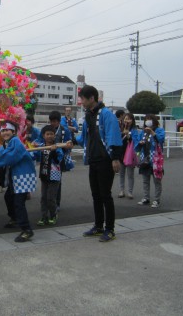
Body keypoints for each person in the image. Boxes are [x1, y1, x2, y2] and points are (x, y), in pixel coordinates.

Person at [75, 85, 123, 243]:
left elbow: (113, 135)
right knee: (96, 195)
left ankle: (110, 229)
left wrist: (115, 158)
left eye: (82, 99)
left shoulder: (106, 114)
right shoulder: (89, 115)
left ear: (91, 98)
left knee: (105, 195)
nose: (81, 102)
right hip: (93, 159)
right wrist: (73, 141)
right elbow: (84, 137)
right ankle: (98, 226)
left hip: (105, 160)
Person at [0, 121, 37, 242]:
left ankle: (26, 230)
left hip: (23, 175)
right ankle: (15, 218)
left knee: (19, 203)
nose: (5, 132)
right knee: (8, 197)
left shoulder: (16, 141)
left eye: (7, 130)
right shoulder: (7, 143)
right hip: (14, 177)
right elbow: (1, 152)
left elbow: (11, 157)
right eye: (2, 130)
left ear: (13, 131)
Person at [34, 125, 64, 226]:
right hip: (44, 174)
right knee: (43, 197)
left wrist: (54, 151)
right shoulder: (42, 146)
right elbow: (36, 156)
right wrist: (33, 147)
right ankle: (44, 216)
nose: (50, 136)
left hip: (54, 176)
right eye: (48, 134)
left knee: (51, 197)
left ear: (54, 136)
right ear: (43, 135)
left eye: (52, 134)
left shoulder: (57, 147)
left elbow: (58, 160)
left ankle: (53, 215)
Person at [136, 114, 165, 208]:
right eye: (146, 120)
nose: (147, 121)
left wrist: (152, 132)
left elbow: (160, 140)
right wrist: (139, 144)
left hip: (156, 160)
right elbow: (137, 144)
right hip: (145, 158)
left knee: (157, 180)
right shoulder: (142, 132)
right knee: (145, 180)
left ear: (154, 121)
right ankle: (146, 198)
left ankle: (157, 200)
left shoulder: (159, 130)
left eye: (150, 119)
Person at [49, 110, 74, 212]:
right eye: (51, 121)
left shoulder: (65, 131)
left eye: (54, 121)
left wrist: (65, 147)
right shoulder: (48, 129)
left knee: (57, 181)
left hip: (59, 159)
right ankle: (49, 201)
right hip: (48, 159)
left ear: (59, 121)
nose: (52, 123)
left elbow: (69, 144)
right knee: (47, 181)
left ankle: (56, 203)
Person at [118, 113, 138, 199]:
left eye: (129, 119)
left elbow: (135, 141)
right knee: (121, 173)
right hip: (121, 153)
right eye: (125, 119)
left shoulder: (134, 130)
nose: (127, 120)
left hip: (130, 154)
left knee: (130, 174)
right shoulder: (120, 129)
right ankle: (122, 190)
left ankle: (130, 192)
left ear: (132, 121)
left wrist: (128, 136)